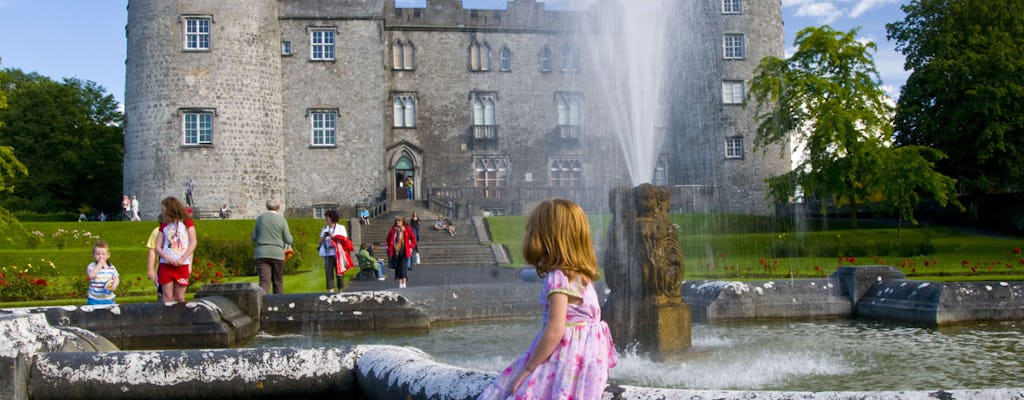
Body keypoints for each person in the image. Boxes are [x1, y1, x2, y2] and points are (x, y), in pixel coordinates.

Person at [477, 198, 617, 399]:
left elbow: (555, 329)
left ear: (545, 238)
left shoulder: (558, 278)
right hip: (589, 360)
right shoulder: (581, 276)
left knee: (515, 389)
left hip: (565, 357)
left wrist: (529, 368)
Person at [155, 196, 197, 303]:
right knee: (167, 297)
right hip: (166, 264)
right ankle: (168, 318)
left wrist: (183, 259)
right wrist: (166, 257)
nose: (162, 213)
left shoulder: (187, 223)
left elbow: (193, 242)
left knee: (179, 297)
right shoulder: (164, 225)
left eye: (164, 210)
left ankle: (181, 318)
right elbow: (157, 247)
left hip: (181, 265)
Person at [252, 198, 294, 295]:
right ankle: (278, 306)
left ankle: (262, 306)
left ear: (267, 207)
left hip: (261, 253)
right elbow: (289, 240)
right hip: (277, 254)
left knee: (264, 282)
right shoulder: (281, 220)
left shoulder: (260, 219)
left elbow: (254, 237)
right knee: (278, 282)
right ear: (278, 208)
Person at [318, 210, 353, 293]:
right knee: (328, 273)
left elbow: (344, 240)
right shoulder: (324, 228)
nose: (326, 219)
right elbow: (320, 242)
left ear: (332, 218)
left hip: (338, 254)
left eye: (327, 217)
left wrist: (333, 236)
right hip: (328, 254)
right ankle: (331, 291)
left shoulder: (340, 228)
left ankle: (341, 290)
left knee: (339, 272)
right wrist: (324, 237)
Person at [386, 216, 416, 289]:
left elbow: (413, 239)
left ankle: (404, 282)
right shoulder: (393, 230)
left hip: (404, 250)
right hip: (396, 251)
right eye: (397, 221)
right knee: (398, 267)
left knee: (403, 267)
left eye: (399, 221)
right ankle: (400, 283)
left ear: (402, 222)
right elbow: (388, 239)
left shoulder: (407, 229)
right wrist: (389, 247)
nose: (397, 222)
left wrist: (411, 247)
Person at [85, 240, 119, 305]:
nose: (100, 256)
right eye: (97, 254)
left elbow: (116, 277)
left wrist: (114, 285)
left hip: (108, 298)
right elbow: (91, 276)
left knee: (110, 314)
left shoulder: (111, 267)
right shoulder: (92, 266)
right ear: (93, 255)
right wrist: (99, 265)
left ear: (108, 255)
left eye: (103, 254)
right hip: (94, 298)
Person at [145, 217, 164, 301]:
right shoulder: (157, 231)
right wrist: (150, 269)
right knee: (162, 293)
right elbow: (152, 249)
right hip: (161, 268)